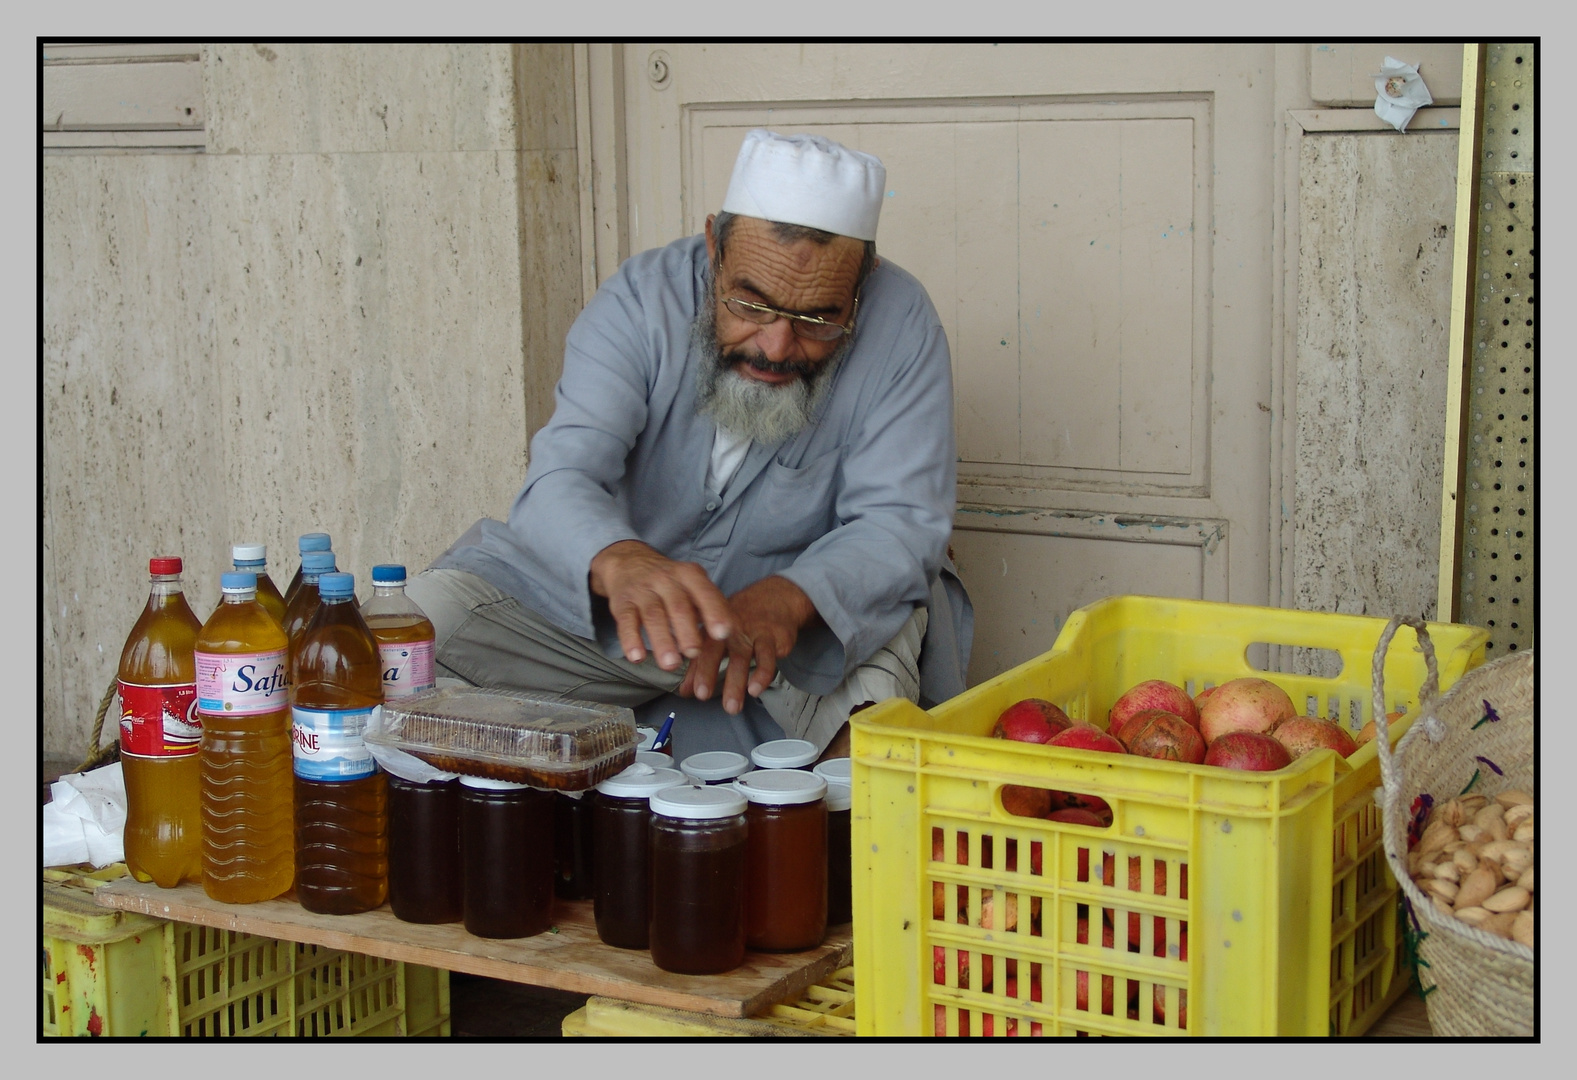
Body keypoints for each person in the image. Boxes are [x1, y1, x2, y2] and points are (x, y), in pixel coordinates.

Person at [409, 129, 972, 763]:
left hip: (787, 639)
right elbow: (562, 476)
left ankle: (832, 851)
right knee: (413, 637)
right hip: (612, 620)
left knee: (887, 670)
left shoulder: (903, 324)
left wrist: (792, 597)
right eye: (749, 303)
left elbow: (898, 524)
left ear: (861, 281)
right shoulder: (640, 299)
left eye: (818, 318)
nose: (777, 345)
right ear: (713, 246)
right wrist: (621, 560)